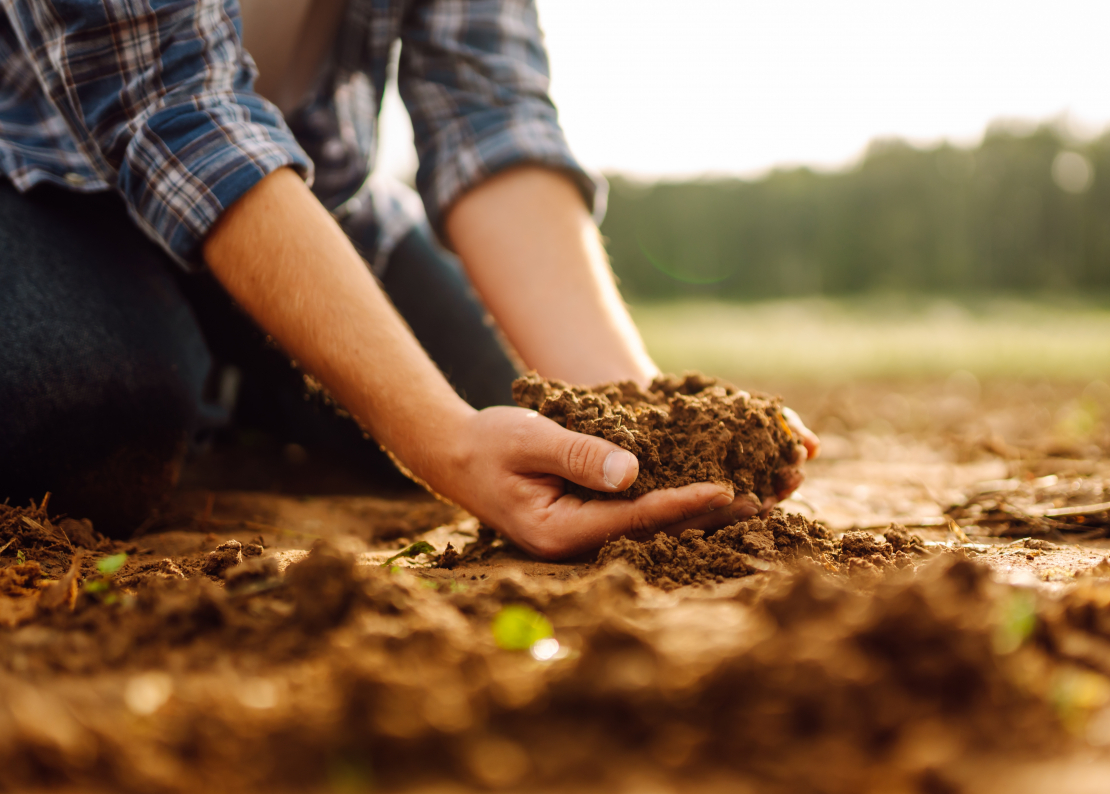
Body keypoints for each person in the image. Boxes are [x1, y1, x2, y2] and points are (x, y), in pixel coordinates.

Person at [0, 0, 818, 555]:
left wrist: (644, 420)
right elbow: (172, 110)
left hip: (320, 203)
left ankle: (245, 372)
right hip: (53, 190)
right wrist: (445, 442)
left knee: (517, 411)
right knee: (94, 419)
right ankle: (212, 377)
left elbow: (490, 115)